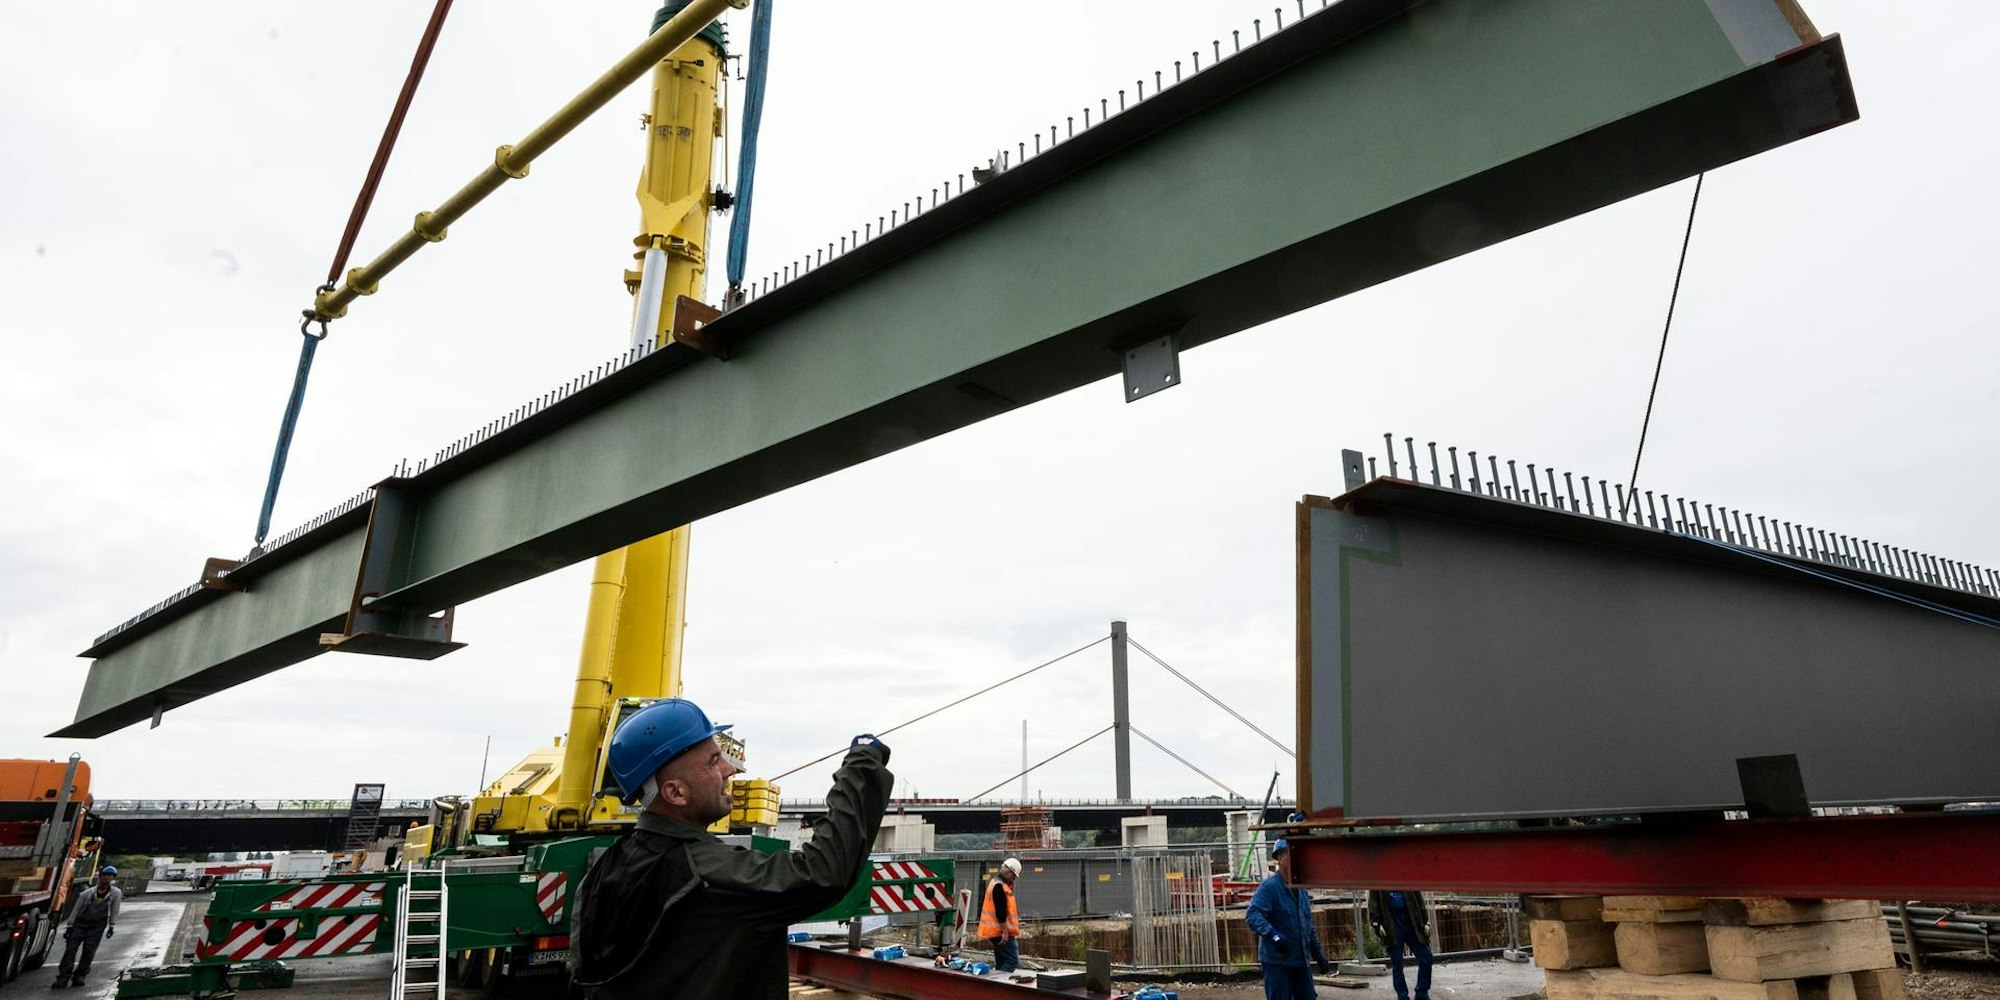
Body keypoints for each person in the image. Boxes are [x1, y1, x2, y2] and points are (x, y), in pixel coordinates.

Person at [570, 698, 892, 1000]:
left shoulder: (606, 866)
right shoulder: (706, 872)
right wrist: (862, 767)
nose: (731, 769)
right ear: (675, 792)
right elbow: (821, 872)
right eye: (714, 761)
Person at [1246, 840, 1330, 1000]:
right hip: (1277, 962)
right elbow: (1253, 915)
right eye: (1290, 853)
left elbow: (1307, 925)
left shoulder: (1301, 889)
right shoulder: (1269, 887)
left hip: (1300, 961)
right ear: (1279, 858)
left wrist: (1317, 952)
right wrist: (1273, 934)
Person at [51, 866, 122, 988]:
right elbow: (76, 909)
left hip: (97, 926)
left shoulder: (115, 893)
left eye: (110, 876)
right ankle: (63, 977)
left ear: (113, 878)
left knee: (89, 952)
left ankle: (80, 975)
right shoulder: (87, 893)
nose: (107, 878)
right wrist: (70, 925)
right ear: (100, 877)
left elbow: (115, 909)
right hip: (80, 923)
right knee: (70, 950)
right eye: (105, 875)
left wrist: (111, 925)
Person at [1367, 889, 1433, 1000]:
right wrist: (1377, 924)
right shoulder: (1379, 879)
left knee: (1426, 956)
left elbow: (1418, 897)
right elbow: (1373, 903)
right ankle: (1402, 996)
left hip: (1412, 922)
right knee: (1397, 963)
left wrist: (1425, 921)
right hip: (1392, 925)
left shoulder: (1406, 875)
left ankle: (1422, 992)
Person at [978, 857, 1024, 972]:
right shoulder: (999, 886)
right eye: (1013, 876)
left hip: (996, 931)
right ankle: (998, 982)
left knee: (1002, 961)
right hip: (1001, 932)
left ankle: (997, 985)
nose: (1013, 879)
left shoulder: (996, 883)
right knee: (1013, 961)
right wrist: (1005, 931)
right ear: (1009, 873)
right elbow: (1000, 911)